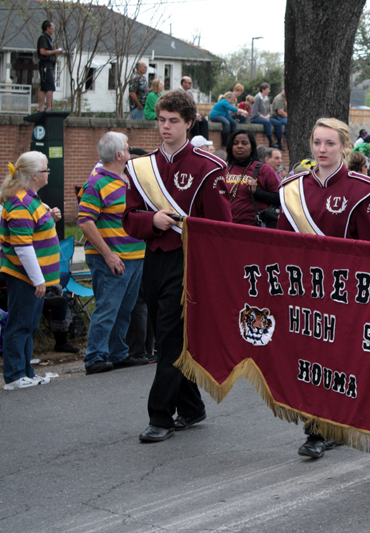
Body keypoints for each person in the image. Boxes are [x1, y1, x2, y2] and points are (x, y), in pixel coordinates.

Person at [123, 89, 232, 443]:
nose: (165, 127)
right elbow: (128, 218)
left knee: (169, 338)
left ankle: (161, 416)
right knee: (163, 330)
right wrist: (150, 221)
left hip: (188, 260)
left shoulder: (208, 168)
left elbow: (222, 228)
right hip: (153, 258)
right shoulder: (141, 168)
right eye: (161, 120)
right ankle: (191, 407)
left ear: (189, 123)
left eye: (173, 121)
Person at [277, 117, 370, 459]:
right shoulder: (292, 188)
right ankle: (318, 428)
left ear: (344, 147)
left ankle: (327, 427)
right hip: (303, 290)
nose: (322, 150)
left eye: (330, 144)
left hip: (344, 292)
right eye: (317, 143)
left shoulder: (364, 190)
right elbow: (279, 242)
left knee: (337, 360)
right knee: (310, 358)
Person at [78, 132, 149, 375]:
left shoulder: (126, 181)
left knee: (124, 308)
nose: (130, 152)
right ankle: (95, 356)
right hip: (112, 257)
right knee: (107, 308)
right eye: (128, 149)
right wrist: (107, 254)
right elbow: (86, 221)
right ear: (119, 155)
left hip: (134, 255)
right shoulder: (96, 183)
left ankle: (117, 352)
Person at [1, 152, 61, 390]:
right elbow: (23, 247)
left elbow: (36, 231)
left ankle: (26, 372)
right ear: (35, 175)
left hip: (33, 277)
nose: (48, 173)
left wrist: (50, 217)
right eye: (46, 170)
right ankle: (15, 376)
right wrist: (38, 279)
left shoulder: (30, 199)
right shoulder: (21, 203)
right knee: (19, 325)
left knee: (28, 325)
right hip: (24, 276)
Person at [224, 129, 281, 226]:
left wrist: (257, 192)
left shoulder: (264, 169)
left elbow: (279, 198)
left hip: (253, 227)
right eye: (235, 143)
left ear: (251, 147)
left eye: (244, 143)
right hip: (227, 226)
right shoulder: (224, 169)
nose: (239, 146)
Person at [36, 21, 62, 112]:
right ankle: (48, 108)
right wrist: (54, 51)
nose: (53, 30)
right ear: (47, 28)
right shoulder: (43, 38)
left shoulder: (49, 38)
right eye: (52, 27)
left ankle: (42, 108)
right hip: (45, 65)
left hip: (49, 65)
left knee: (44, 87)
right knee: (50, 87)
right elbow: (42, 51)